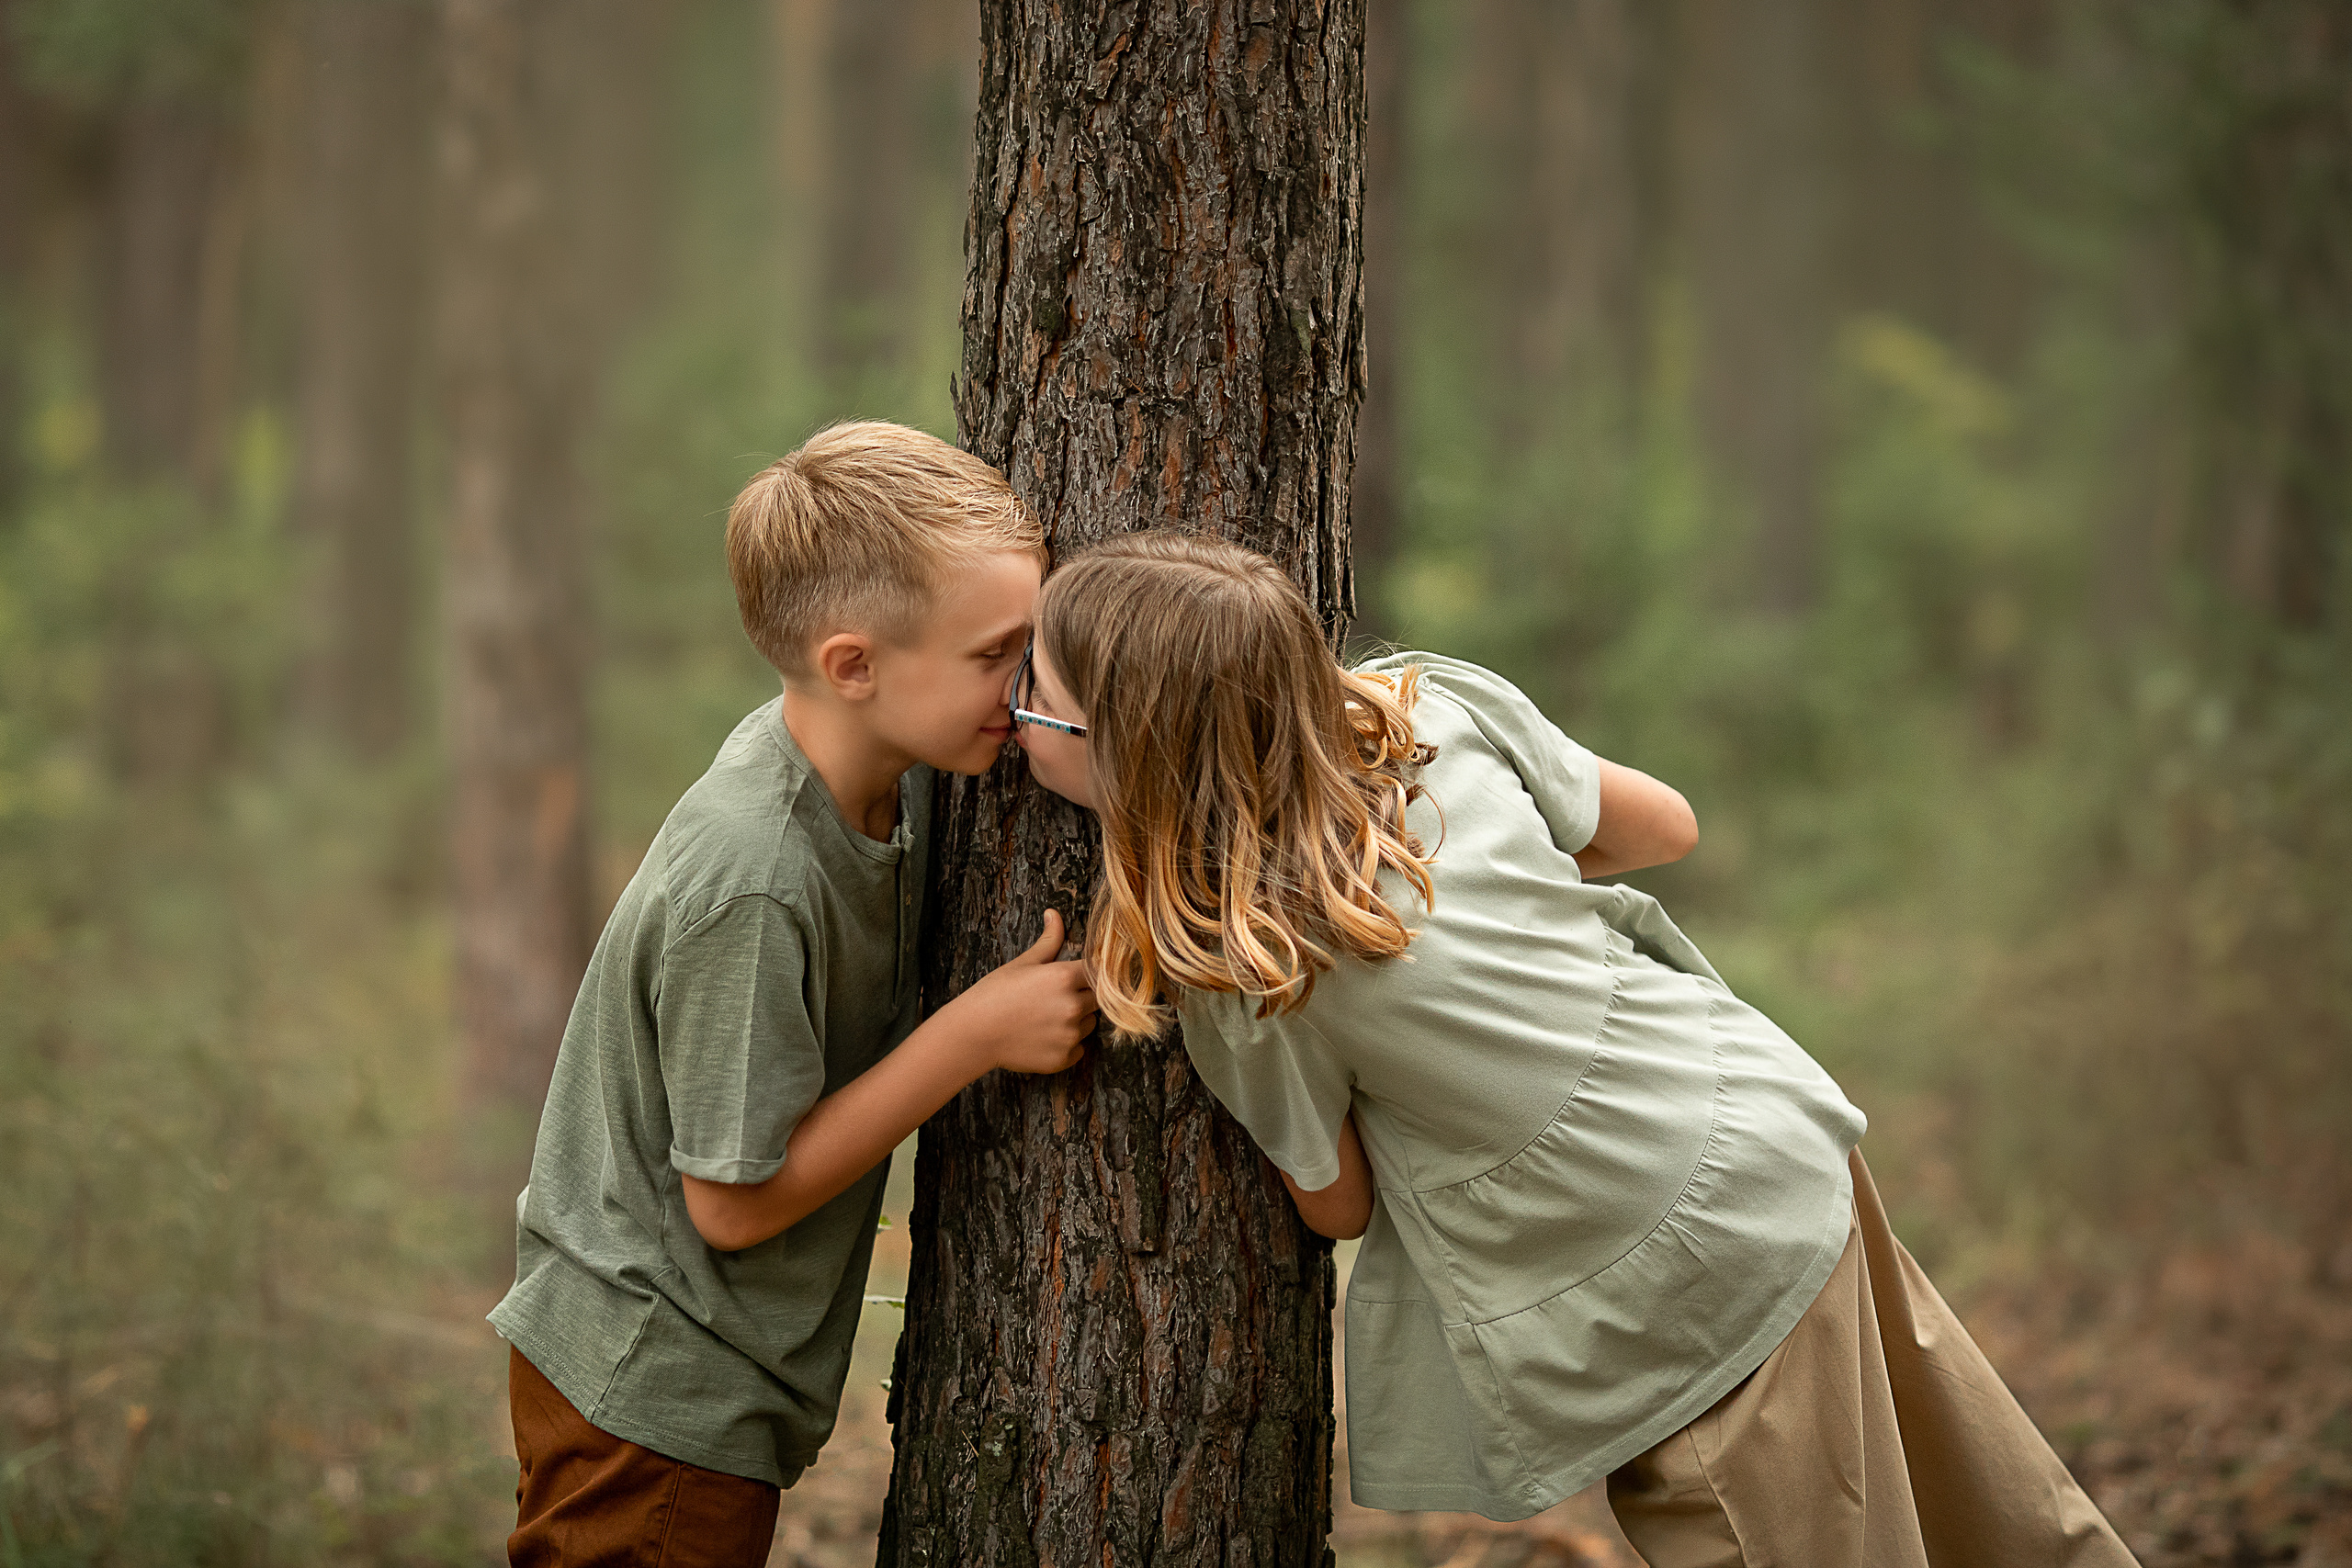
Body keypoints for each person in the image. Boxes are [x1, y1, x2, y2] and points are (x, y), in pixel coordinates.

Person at [1011, 530, 2138, 1567]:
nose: (1010, 709)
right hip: (1772, 1133)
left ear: (1133, 754)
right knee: (1972, 1498)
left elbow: (1336, 1205)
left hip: (1668, 1277)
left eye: (1035, 696)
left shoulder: (1249, 964)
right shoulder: (1433, 710)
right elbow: (1661, 826)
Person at [488, 423, 1098, 1567]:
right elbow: (731, 1201)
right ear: (853, 665)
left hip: (693, 1376)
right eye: (992, 657)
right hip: (649, 1389)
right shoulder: (757, 876)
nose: (1023, 692)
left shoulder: (883, 772)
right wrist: (971, 1034)